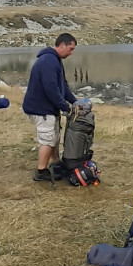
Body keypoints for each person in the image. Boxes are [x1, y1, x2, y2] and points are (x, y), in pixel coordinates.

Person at [23, 33, 78, 182]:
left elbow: (63, 86)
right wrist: (64, 106)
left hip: (46, 108)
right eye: (71, 48)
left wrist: (75, 102)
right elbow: (51, 88)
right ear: (62, 45)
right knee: (48, 139)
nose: (72, 53)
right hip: (41, 109)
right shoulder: (49, 61)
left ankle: (55, 162)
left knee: (54, 135)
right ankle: (41, 171)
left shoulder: (55, 60)